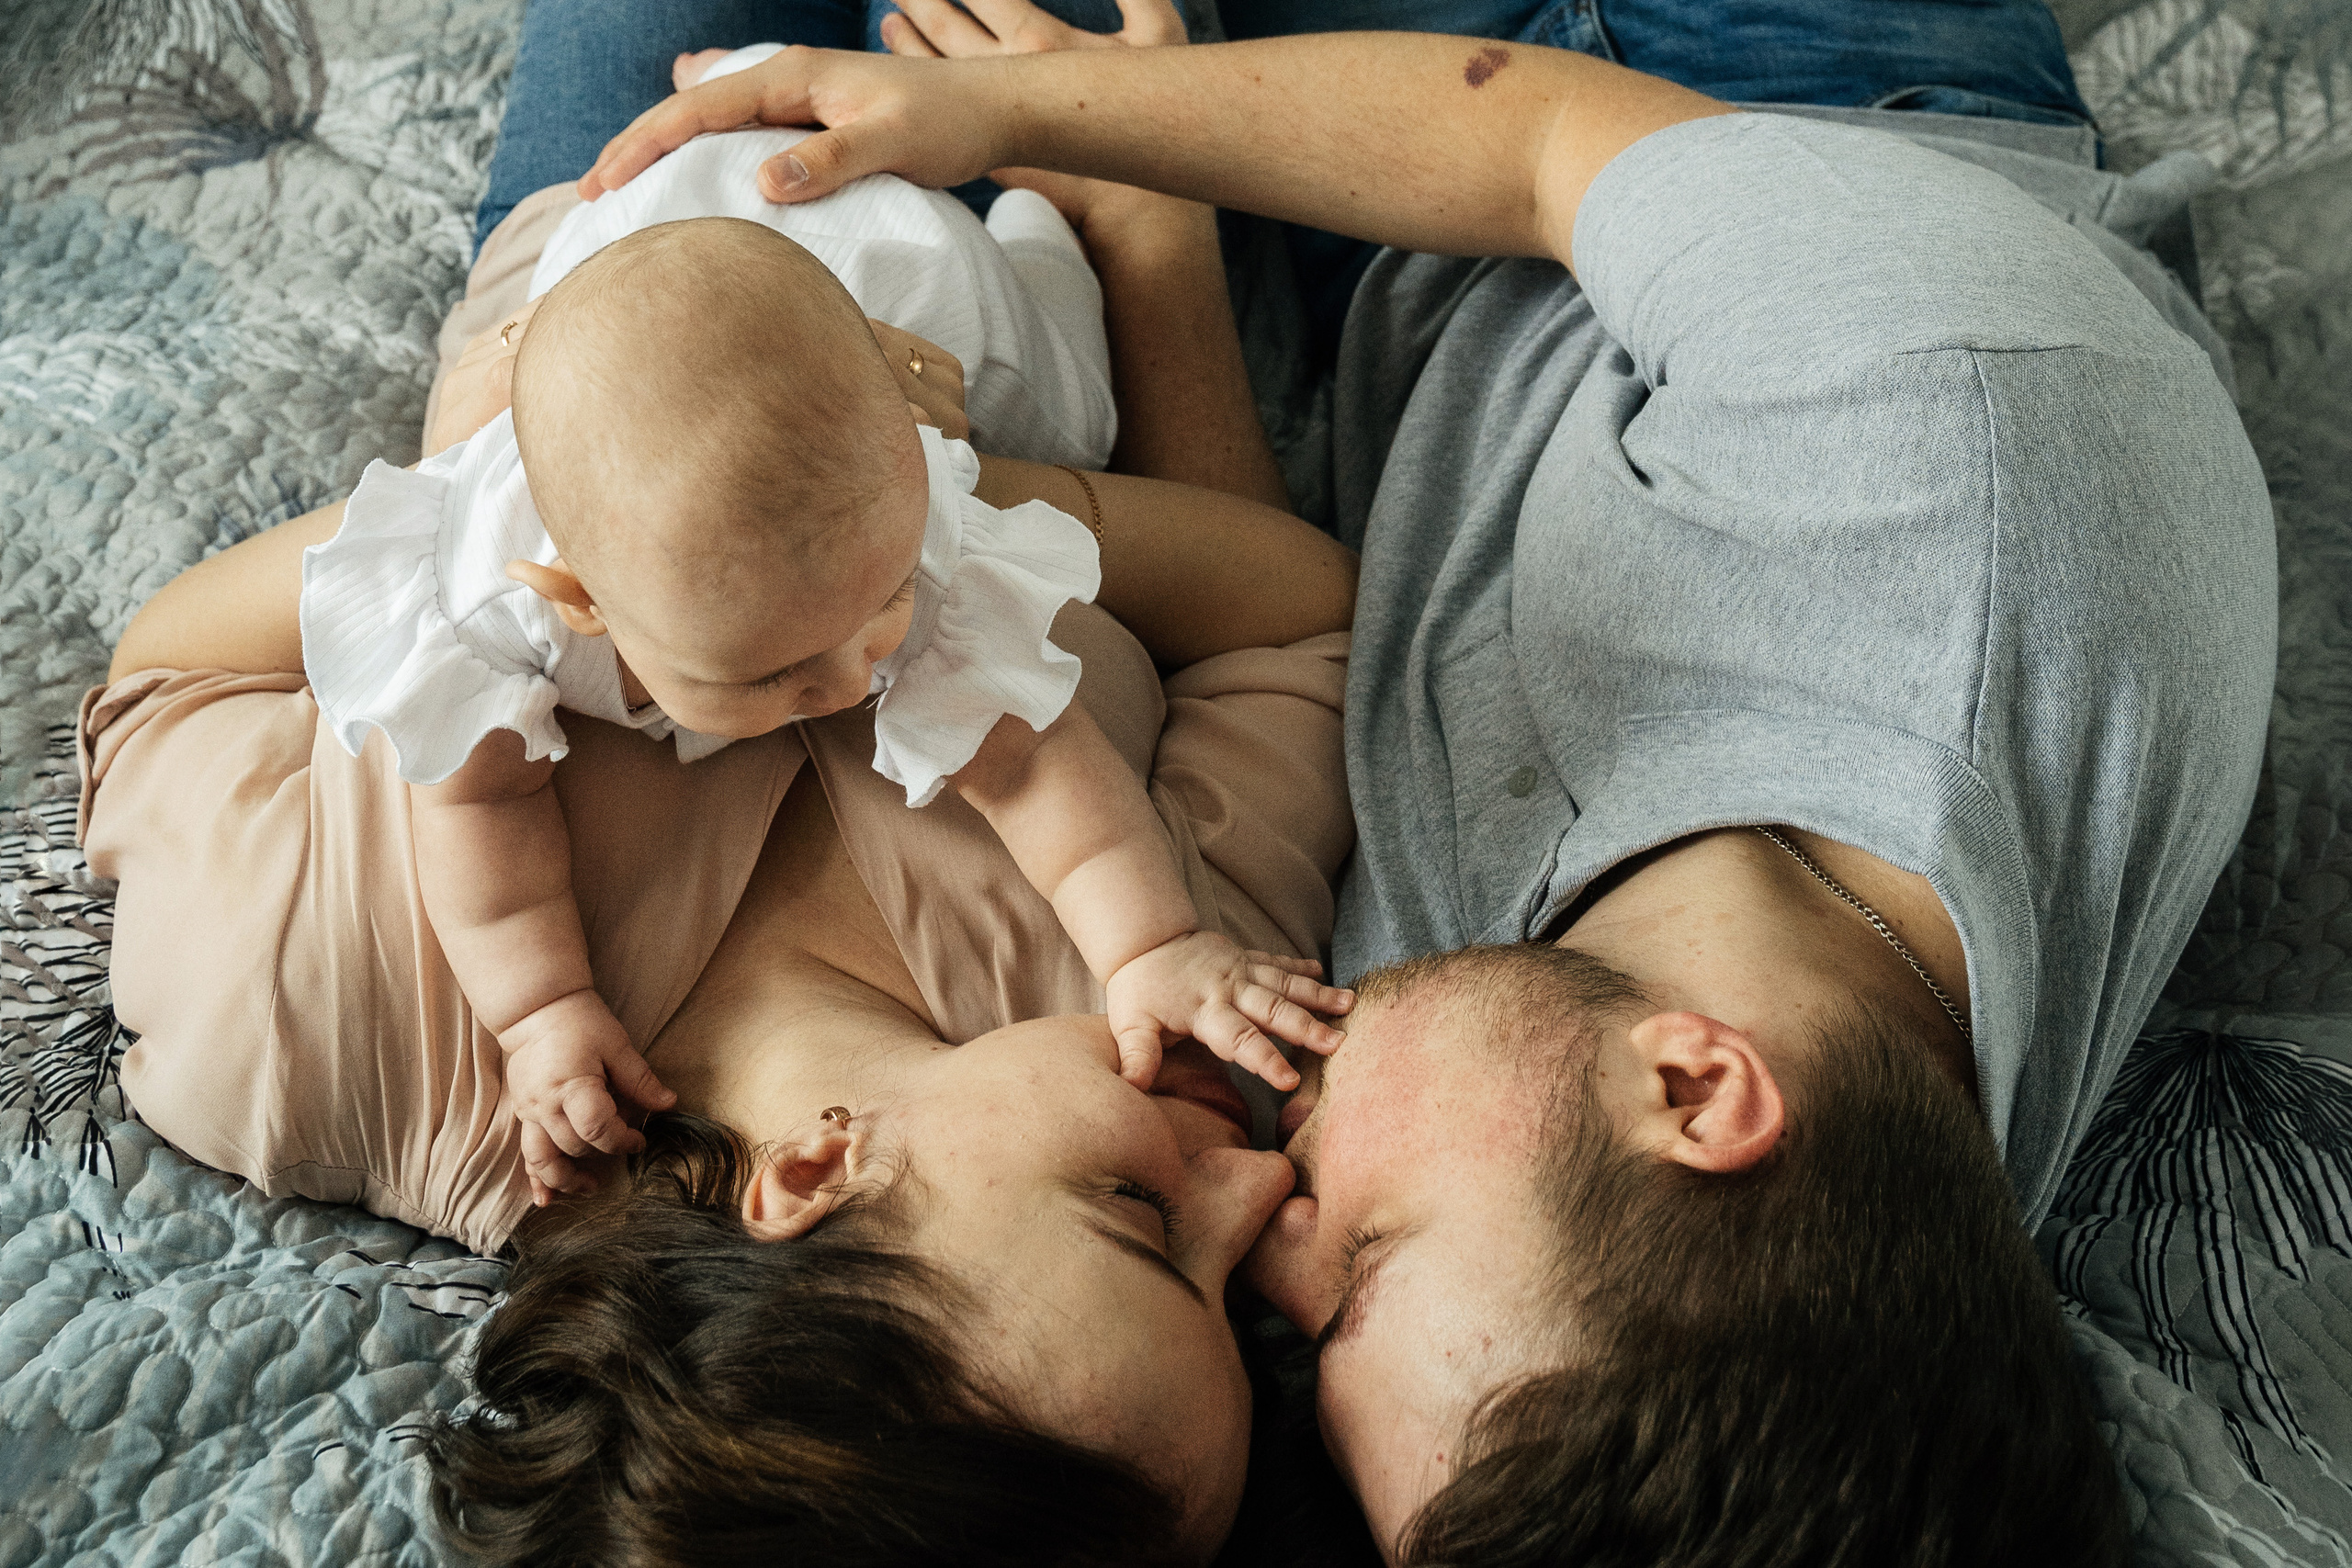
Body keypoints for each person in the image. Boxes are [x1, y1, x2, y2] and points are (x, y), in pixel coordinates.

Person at [587, 0, 2277, 1560]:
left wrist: (1152, 239)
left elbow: (1287, 648)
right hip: (1735, 84)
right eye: (1365, 1270)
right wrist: (1021, 111)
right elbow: (1528, 136)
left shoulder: (1602, 1159)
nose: (1269, 1236)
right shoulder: (1952, 461)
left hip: (1394, 301)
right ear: (1692, 1090)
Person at [84, 39, 1358, 1556]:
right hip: (1015, 282)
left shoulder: (312, 1030)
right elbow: (1295, 616)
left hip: (609, 212)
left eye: (1151, 1228)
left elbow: (170, 678)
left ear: (815, 1172)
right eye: (1239, 1301)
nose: (1262, 1185)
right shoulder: (1182, 979)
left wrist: (539, 516)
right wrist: (947, 487)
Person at [299, 90, 1350, 1198]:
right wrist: (542, 1011)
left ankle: (1033, 240)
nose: (851, 679)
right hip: (641, 236)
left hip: (908, 283)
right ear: (577, 602)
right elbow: (477, 813)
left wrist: (1150, 949)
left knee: (1068, 415)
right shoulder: (482, 610)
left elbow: (1035, 765)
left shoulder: (900, 536)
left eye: (880, 612)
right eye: (769, 675)